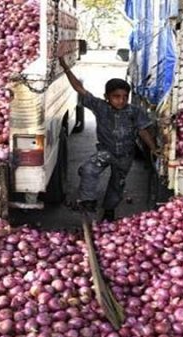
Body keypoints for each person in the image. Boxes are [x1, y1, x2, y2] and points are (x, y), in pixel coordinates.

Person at [59, 57, 159, 222]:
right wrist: (65, 68)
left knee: (117, 184)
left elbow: (143, 131)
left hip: (125, 156)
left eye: (125, 97)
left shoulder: (133, 112)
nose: (121, 100)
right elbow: (79, 88)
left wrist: (153, 147)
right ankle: (88, 201)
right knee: (89, 169)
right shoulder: (100, 107)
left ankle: (109, 210)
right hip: (106, 152)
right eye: (116, 96)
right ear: (107, 96)